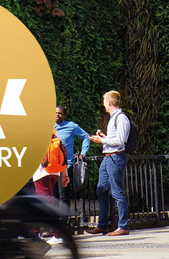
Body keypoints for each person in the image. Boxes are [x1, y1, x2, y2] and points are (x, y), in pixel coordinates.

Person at [88, 90, 131, 237]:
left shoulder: (121, 118)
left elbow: (120, 141)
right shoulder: (113, 118)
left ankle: (123, 225)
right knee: (101, 190)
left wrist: (102, 140)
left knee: (117, 191)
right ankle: (102, 225)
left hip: (116, 158)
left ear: (110, 103)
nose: (104, 105)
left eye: (105, 102)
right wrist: (104, 138)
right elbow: (114, 139)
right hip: (108, 157)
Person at [52, 106, 91, 211]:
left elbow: (86, 137)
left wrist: (83, 153)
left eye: (60, 113)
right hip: (51, 168)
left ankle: (64, 224)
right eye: (55, 112)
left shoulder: (71, 126)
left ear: (64, 116)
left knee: (63, 196)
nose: (57, 115)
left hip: (65, 167)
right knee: (53, 197)